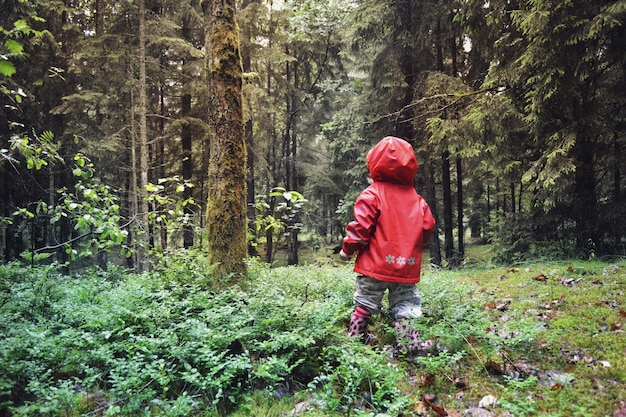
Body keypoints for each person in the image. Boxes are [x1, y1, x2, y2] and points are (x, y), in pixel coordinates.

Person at [339, 136, 436, 354]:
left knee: (365, 302)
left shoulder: (372, 194)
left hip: (373, 265)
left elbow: (361, 227)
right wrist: (416, 245)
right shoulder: (416, 199)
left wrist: (347, 249)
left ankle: (356, 337)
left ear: (373, 164)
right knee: (405, 303)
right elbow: (428, 226)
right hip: (405, 264)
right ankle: (409, 345)